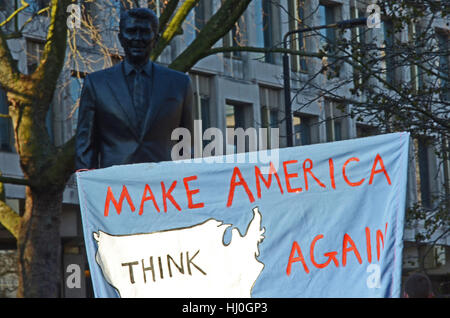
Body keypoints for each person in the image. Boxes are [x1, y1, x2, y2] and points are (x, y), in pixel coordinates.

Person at [75, 8, 193, 170]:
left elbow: (186, 144)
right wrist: (88, 188)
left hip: (165, 186)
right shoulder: (96, 84)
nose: (137, 38)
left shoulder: (180, 84)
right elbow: (86, 146)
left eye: (145, 32)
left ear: (156, 38)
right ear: (121, 38)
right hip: (116, 188)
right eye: (131, 31)